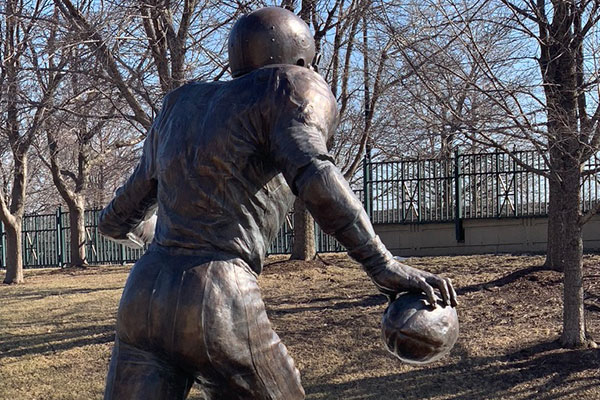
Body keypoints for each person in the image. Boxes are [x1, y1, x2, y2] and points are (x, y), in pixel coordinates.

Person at [98, 7, 458, 400]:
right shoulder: (287, 85)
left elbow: (116, 220)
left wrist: (168, 238)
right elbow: (315, 175)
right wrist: (382, 264)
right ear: (303, 60)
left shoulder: (177, 106)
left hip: (142, 298)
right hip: (217, 296)